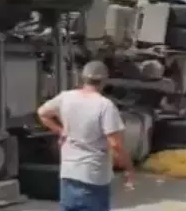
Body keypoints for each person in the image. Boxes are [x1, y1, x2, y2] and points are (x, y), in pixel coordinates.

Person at [37, 60, 135, 211]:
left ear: (82, 78)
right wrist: (129, 169)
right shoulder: (105, 106)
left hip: (68, 174)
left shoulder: (66, 97)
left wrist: (60, 130)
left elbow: (42, 113)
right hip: (93, 177)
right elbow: (115, 145)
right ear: (104, 81)